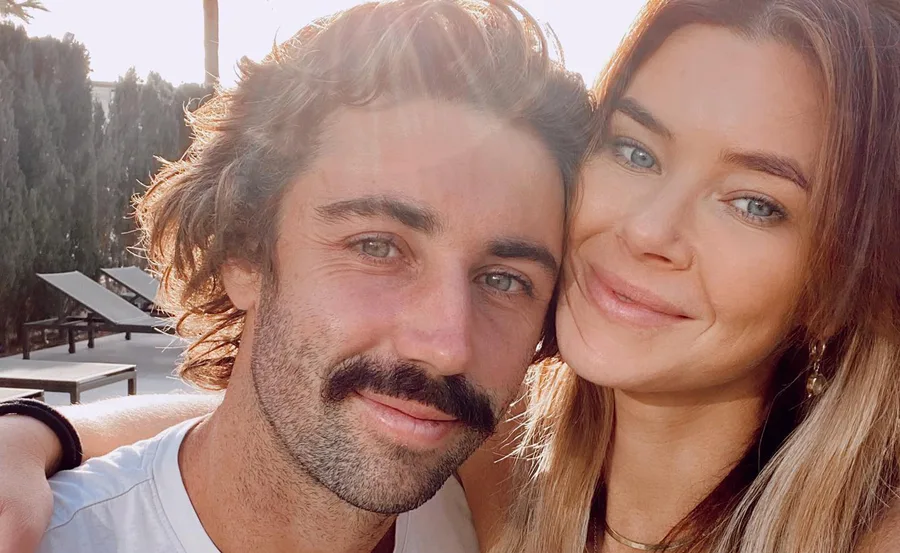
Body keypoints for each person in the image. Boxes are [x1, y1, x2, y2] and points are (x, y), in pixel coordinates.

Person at [3, 0, 900, 551]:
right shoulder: (507, 470)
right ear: (245, 249)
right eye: (634, 149)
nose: (649, 230)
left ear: (843, 276)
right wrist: (36, 431)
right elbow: (296, 416)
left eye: (756, 202)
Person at [0, 1, 592, 553]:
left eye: (505, 280)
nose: (447, 345)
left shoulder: (493, 507)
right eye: (378, 246)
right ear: (243, 253)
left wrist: (38, 427)